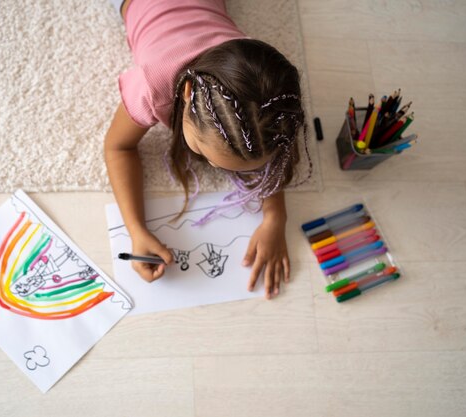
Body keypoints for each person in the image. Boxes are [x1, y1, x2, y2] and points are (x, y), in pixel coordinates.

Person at [104, 0, 311, 299]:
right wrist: (136, 230)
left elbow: (272, 146)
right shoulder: (152, 87)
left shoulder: (261, 78)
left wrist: (276, 215)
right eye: (203, 150)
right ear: (187, 94)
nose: (215, 169)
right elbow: (117, 147)